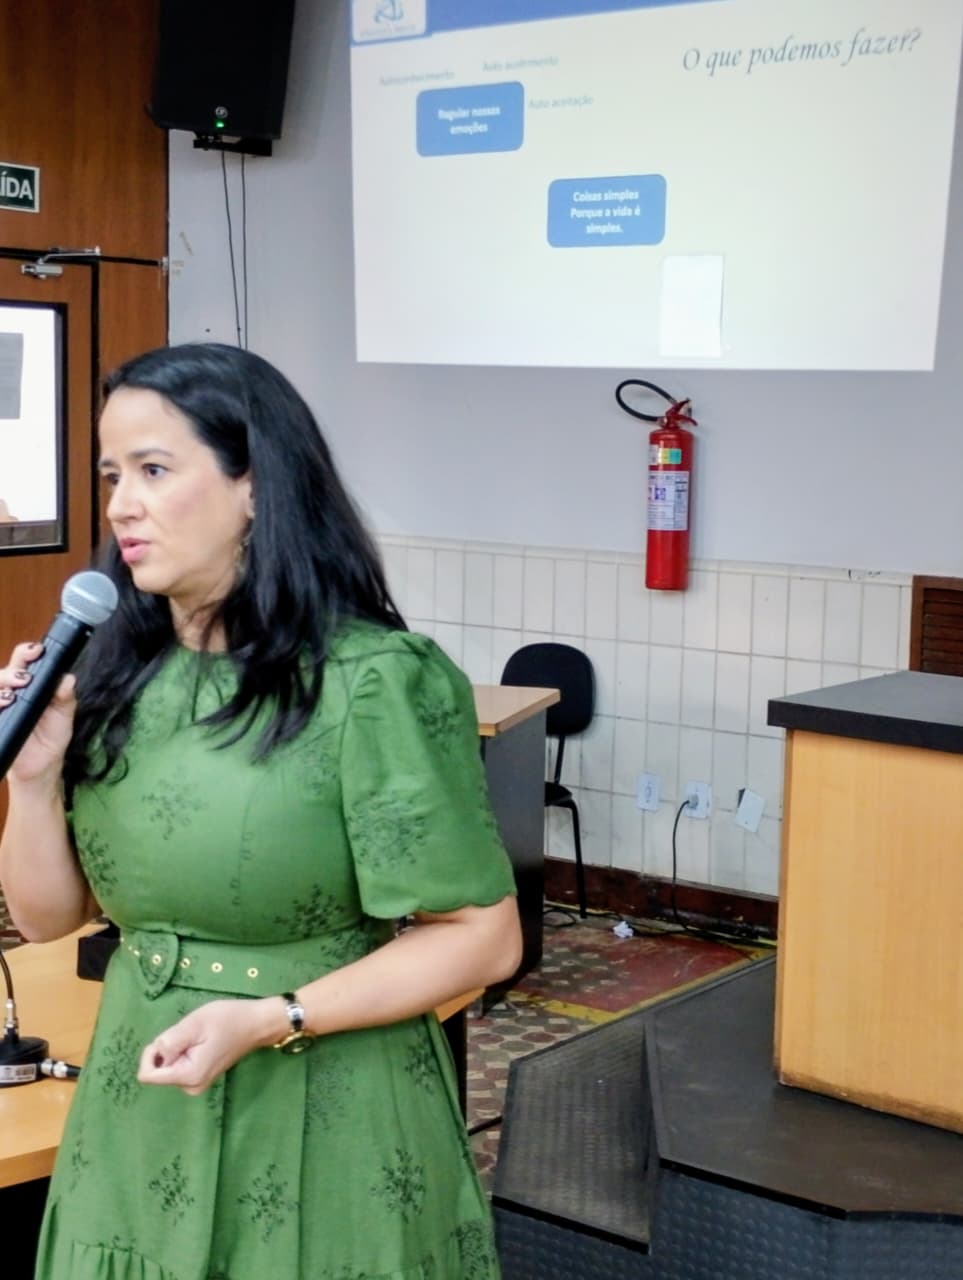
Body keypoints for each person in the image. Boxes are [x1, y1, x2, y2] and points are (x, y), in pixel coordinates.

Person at [0, 341, 522, 1279]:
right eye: (113, 476)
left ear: (254, 486)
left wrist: (272, 1015)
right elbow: (46, 920)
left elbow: (482, 940)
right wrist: (33, 779)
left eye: (155, 470)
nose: (120, 506)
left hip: (324, 1098)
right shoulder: (118, 673)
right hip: (141, 1097)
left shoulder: (369, 681)